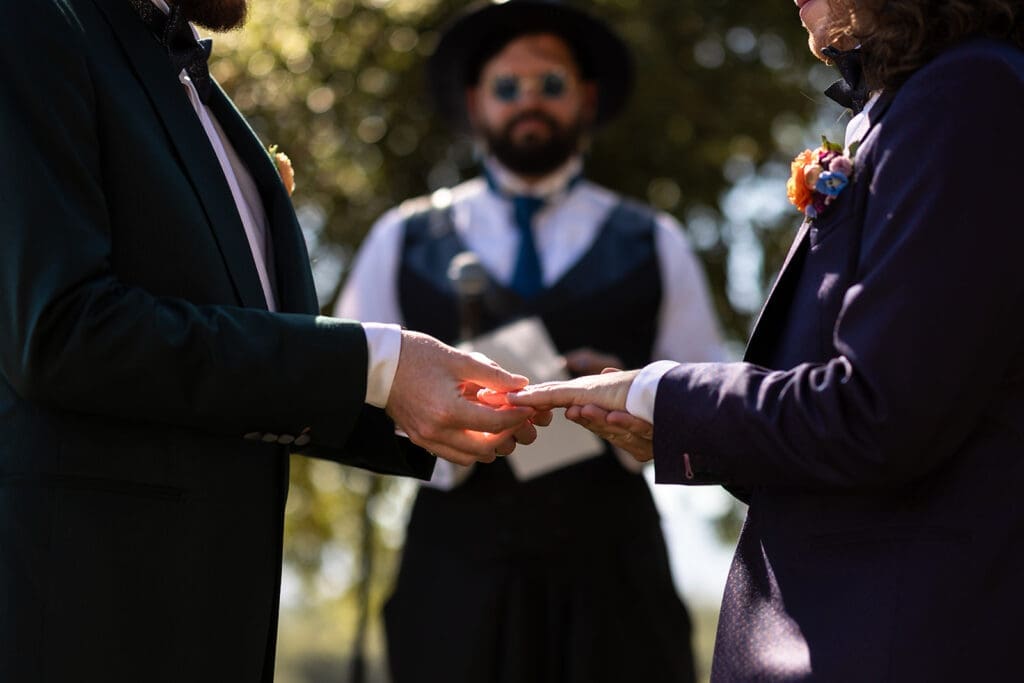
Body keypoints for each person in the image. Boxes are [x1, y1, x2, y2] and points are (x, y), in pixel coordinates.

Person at [0, 0, 550, 681]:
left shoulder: (186, 81)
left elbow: (233, 350)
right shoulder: (31, 21)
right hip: (86, 615)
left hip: (209, 617)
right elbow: (62, 330)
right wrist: (379, 367)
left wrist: (436, 397)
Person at [508, 0, 1024, 680]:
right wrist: (669, 423)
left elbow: (881, 410)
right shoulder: (931, 99)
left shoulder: (970, 96)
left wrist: (662, 396)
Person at [336, 1, 725, 681]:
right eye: (507, 87)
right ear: (474, 101)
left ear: (587, 97)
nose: (529, 103)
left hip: (617, 586)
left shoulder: (654, 240)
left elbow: (712, 402)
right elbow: (344, 392)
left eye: (550, 84)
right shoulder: (402, 237)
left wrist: (637, 397)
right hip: (452, 580)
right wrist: (436, 421)